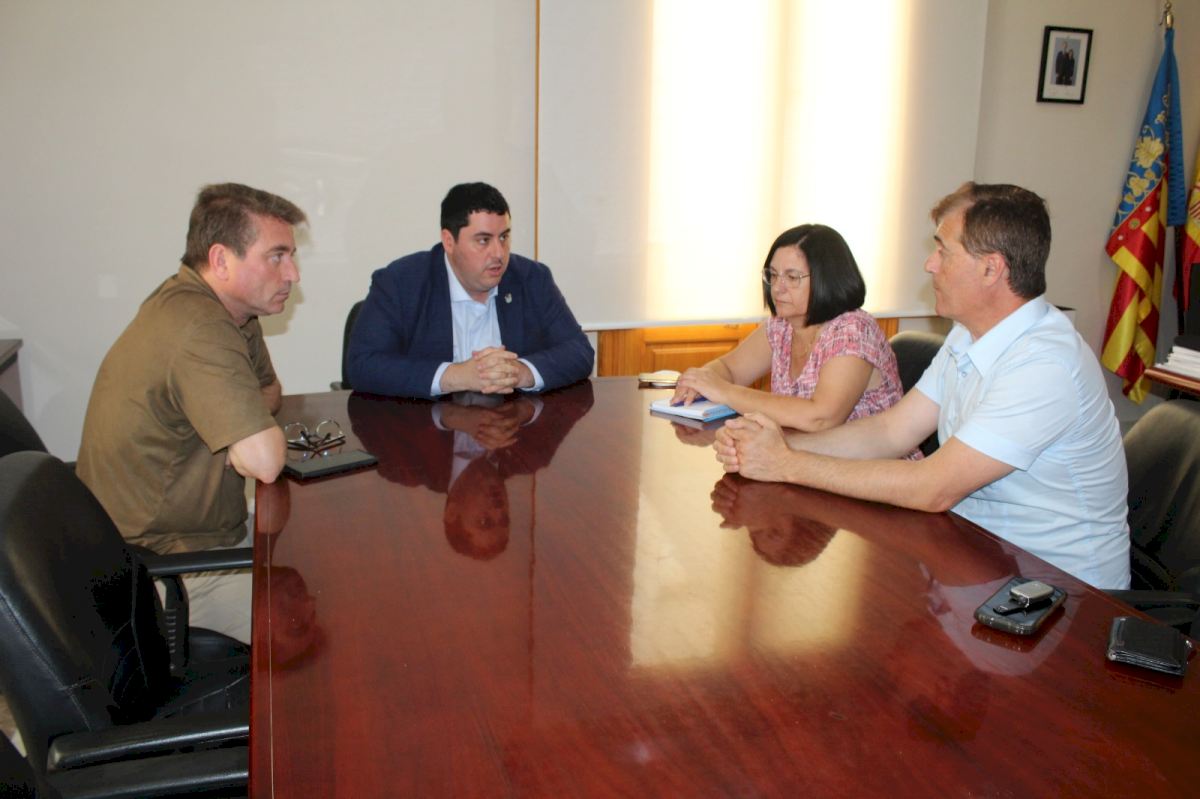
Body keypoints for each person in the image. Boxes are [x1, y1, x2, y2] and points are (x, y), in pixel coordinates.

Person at [714, 182, 1129, 589]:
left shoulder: (1044, 364)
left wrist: (786, 463)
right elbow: (891, 431)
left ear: (991, 268)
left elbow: (934, 488)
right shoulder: (968, 335)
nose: (930, 264)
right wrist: (773, 446)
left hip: (1061, 592)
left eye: (943, 251)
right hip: (978, 557)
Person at [77, 182, 306, 641]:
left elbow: (270, 390)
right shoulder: (198, 325)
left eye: (292, 257)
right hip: (162, 568)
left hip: (202, 536)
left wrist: (239, 425)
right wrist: (246, 432)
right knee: (319, 624)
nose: (293, 275)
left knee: (325, 559)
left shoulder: (235, 314)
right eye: (276, 257)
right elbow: (265, 461)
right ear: (221, 260)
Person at [347, 182, 593, 398]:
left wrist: (520, 372)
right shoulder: (401, 283)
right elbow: (362, 365)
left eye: (504, 237)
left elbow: (579, 352)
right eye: (483, 240)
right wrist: (457, 376)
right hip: (427, 430)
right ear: (449, 241)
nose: (498, 253)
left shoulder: (532, 279)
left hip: (513, 428)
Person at [672, 224, 907, 435]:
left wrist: (725, 392)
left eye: (792, 277)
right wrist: (699, 381)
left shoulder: (853, 331)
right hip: (802, 456)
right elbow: (728, 368)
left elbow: (821, 418)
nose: (777, 288)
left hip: (870, 465)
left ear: (827, 279)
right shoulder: (782, 325)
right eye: (773, 275)